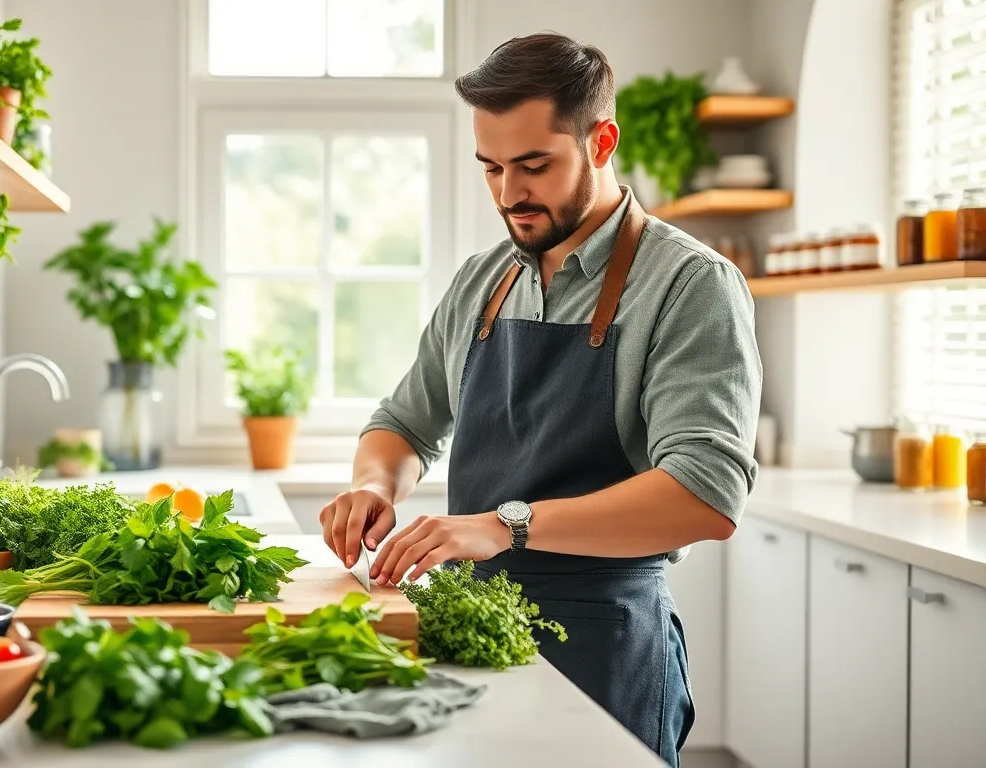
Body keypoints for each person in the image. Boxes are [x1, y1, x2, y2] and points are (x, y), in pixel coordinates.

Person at [318, 31, 763, 766]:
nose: (508, 194)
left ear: (601, 141)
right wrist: (373, 484)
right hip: (473, 633)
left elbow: (706, 496)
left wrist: (504, 525)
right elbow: (404, 421)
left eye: (533, 166)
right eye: (491, 168)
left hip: (604, 646)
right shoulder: (482, 279)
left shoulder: (690, 284)